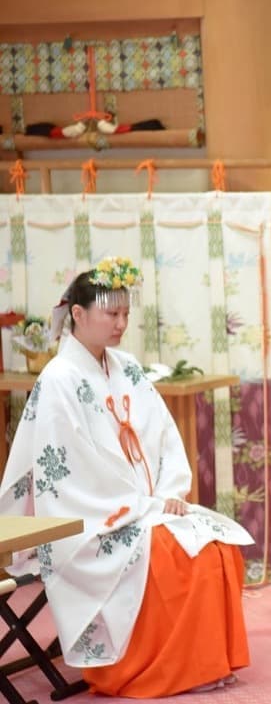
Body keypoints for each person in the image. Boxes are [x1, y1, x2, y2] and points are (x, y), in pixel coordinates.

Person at [0, 257, 254, 697]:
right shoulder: (58, 380)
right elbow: (68, 471)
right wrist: (143, 506)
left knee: (216, 544)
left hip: (142, 504)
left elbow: (162, 435)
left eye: (125, 315)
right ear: (78, 315)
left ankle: (202, 663)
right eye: (111, 314)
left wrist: (171, 492)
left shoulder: (127, 367)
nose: (120, 324)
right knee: (174, 555)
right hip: (88, 518)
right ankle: (148, 669)